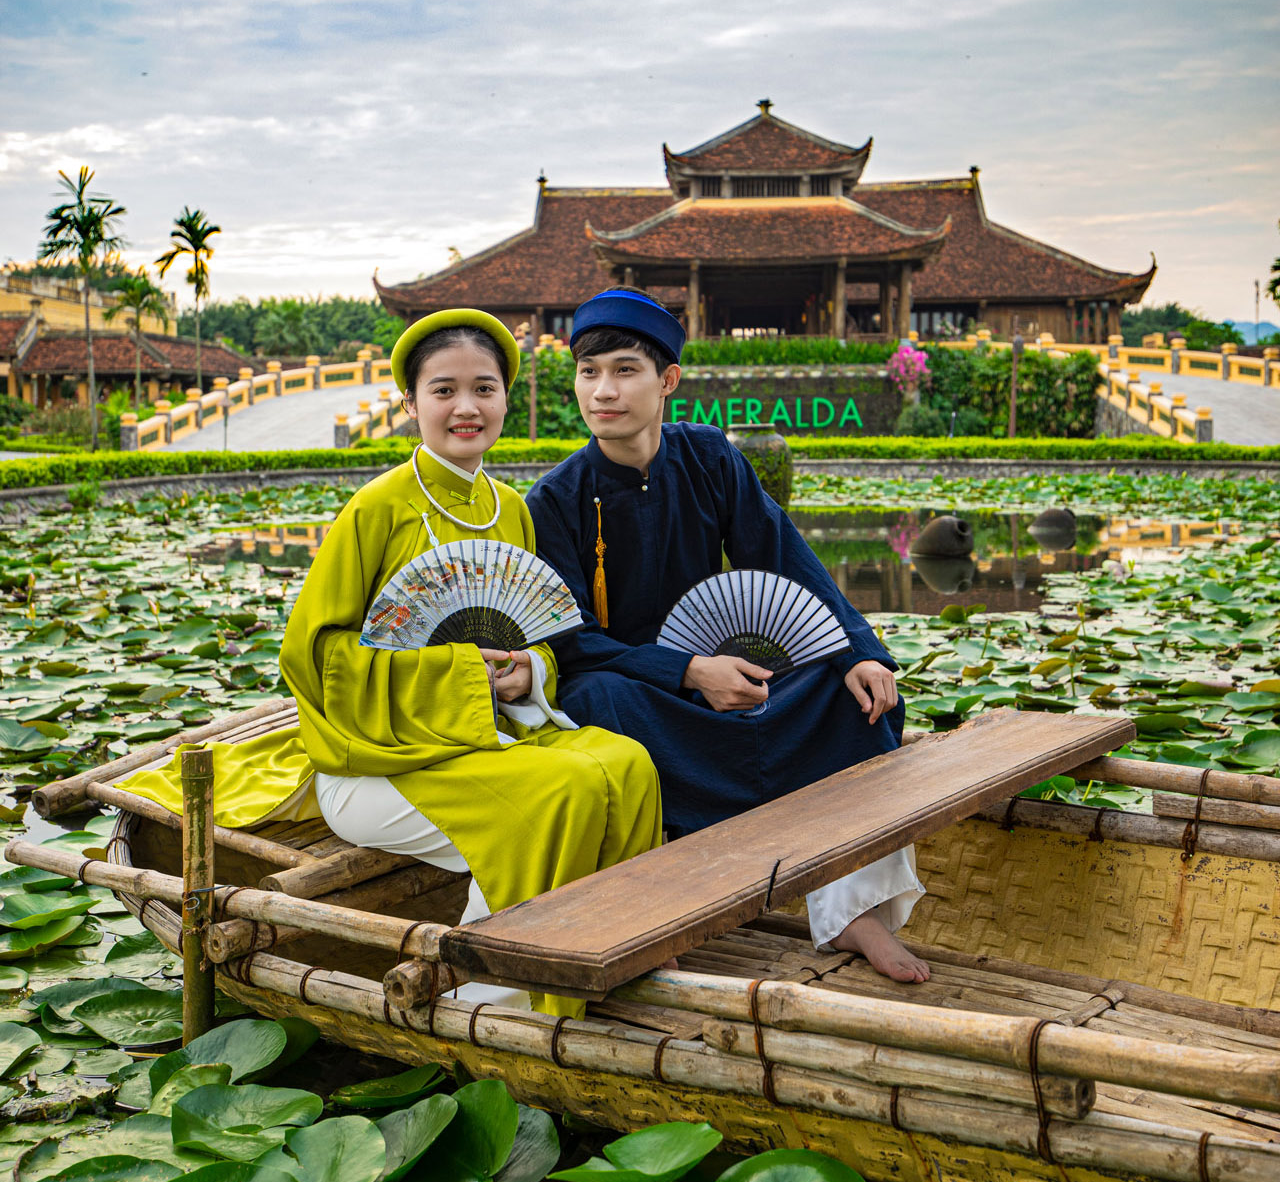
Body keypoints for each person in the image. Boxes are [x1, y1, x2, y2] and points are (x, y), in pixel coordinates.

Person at [122, 308, 664, 1016]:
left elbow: (536, 631)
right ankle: (490, 995)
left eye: (484, 389)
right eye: (443, 391)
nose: (465, 408)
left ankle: (597, 958)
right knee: (554, 797)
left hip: (482, 742)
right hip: (377, 761)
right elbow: (314, 656)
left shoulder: (510, 510)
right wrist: (459, 675)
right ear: (410, 404)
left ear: (505, 399)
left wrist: (525, 672)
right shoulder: (377, 508)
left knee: (628, 763)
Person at [526, 288, 928, 983]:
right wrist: (685, 672)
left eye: (625, 370)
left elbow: (784, 558)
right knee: (600, 707)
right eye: (588, 374)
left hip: (725, 673)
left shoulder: (709, 458)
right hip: (634, 680)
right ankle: (663, 908)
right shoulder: (555, 499)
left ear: (668, 381)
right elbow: (568, 640)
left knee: (853, 698)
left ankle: (851, 910)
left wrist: (859, 650)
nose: (603, 392)